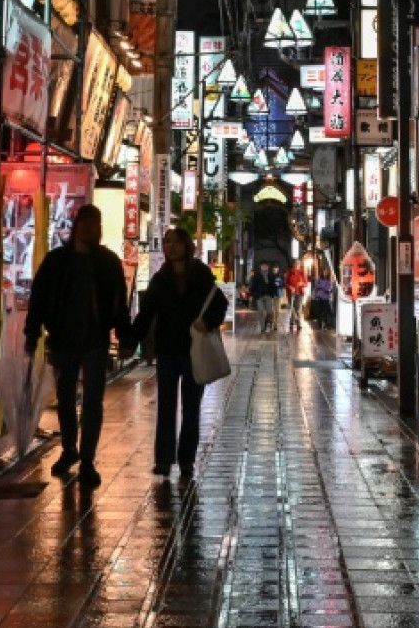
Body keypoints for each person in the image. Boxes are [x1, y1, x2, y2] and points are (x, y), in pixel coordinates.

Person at [25, 204, 131, 487]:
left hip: (95, 338)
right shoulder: (56, 260)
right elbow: (39, 298)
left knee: (93, 401)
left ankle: (87, 458)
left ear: (98, 229)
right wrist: (31, 333)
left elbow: (120, 301)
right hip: (63, 338)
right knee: (66, 398)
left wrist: (125, 337)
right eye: (83, 222)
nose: (87, 228)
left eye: (93, 223)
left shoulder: (108, 262)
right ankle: (70, 448)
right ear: (76, 226)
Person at [132, 227, 228, 480]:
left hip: (193, 351)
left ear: (186, 245)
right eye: (166, 242)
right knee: (165, 406)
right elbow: (146, 313)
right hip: (167, 350)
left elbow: (219, 303)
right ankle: (163, 459)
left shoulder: (200, 274)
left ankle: (186, 459)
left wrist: (207, 323)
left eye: (174, 242)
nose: (169, 246)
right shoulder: (160, 278)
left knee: (191, 407)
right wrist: (130, 339)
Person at [247, 262, 279, 332]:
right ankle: (262, 327)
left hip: (268, 295)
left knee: (269, 311)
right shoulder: (256, 276)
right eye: (263, 266)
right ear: (260, 267)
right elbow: (252, 286)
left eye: (266, 266)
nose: (264, 267)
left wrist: (274, 294)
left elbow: (274, 286)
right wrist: (251, 295)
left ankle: (267, 321)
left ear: (268, 267)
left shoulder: (271, 275)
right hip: (259, 296)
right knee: (260, 311)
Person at [283, 264, 308, 333]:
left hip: (299, 293)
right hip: (291, 293)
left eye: (298, 265)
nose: (296, 266)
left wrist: (301, 284)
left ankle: (297, 323)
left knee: (297, 308)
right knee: (292, 308)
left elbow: (306, 283)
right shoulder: (289, 273)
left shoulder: (302, 273)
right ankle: (293, 322)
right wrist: (290, 287)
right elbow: (285, 283)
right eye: (295, 265)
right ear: (293, 265)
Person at [312, 267, 335, 332]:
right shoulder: (318, 279)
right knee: (319, 312)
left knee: (325, 312)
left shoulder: (328, 280)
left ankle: (325, 325)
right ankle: (319, 326)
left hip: (326, 298)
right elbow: (317, 286)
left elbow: (328, 289)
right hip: (319, 298)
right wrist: (324, 287)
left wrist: (322, 287)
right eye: (324, 272)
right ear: (322, 272)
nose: (325, 273)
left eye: (326, 272)